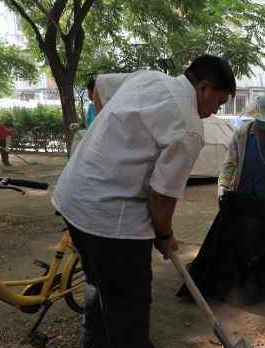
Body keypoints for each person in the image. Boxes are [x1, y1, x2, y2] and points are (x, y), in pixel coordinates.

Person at [52, 55, 236, 348]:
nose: (215, 111)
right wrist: (164, 235)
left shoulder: (147, 78)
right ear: (204, 88)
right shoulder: (188, 127)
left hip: (72, 200)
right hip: (112, 224)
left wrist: (111, 144)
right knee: (128, 316)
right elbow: (161, 198)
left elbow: (100, 85)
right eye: (218, 102)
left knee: (101, 289)